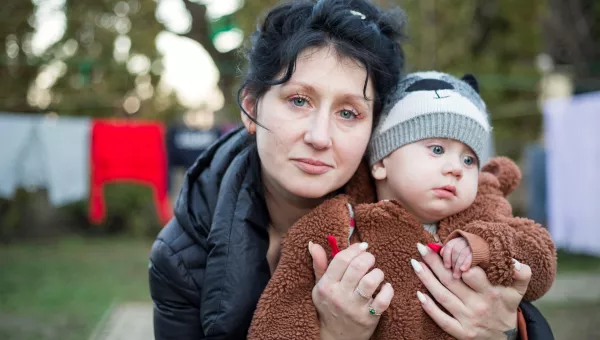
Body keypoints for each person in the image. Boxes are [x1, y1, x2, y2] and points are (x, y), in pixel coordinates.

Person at [148, 1, 554, 339]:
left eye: (348, 112)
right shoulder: (181, 258)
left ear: (375, 129)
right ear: (251, 108)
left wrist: (509, 330)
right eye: (298, 101)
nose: (320, 136)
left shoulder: (425, 198)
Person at [247, 71, 557, 339]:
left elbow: (540, 259)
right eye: (437, 149)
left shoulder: (484, 214)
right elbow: (282, 315)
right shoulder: (341, 223)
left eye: (469, 159)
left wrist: (485, 247)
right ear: (381, 162)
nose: (456, 168)